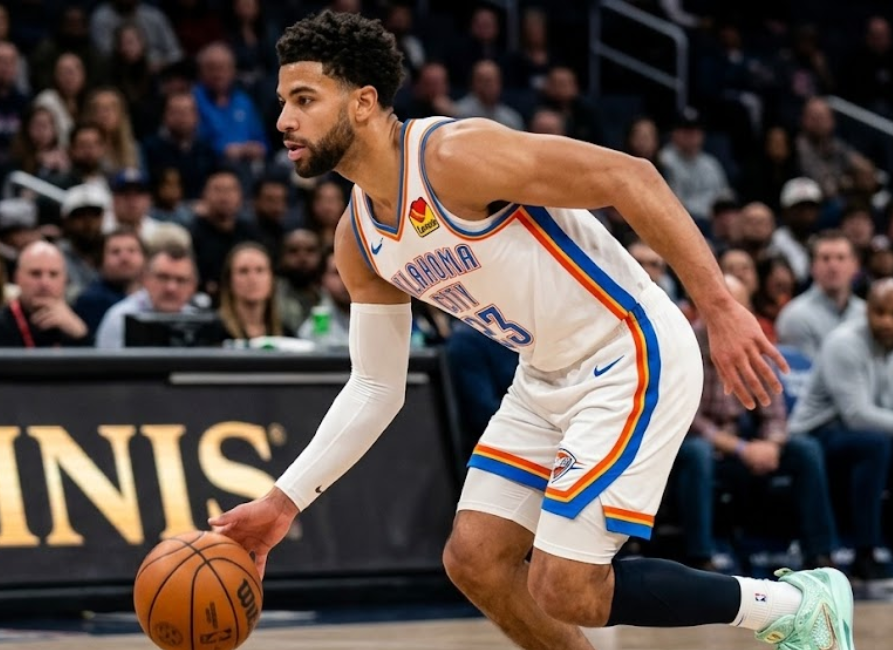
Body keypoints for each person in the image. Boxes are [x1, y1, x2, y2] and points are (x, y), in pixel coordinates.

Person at [210, 11, 851, 650]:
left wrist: (720, 306)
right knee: (476, 561)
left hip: (630, 349)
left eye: (303, 100)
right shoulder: (360, 240)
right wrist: (283, 503)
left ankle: (794, 605)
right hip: (543, 376)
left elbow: (631, 177)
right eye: (282, 102)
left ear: (363, 103)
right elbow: (377, 386)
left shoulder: (453, 157)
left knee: (566, 586)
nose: (283, 121)